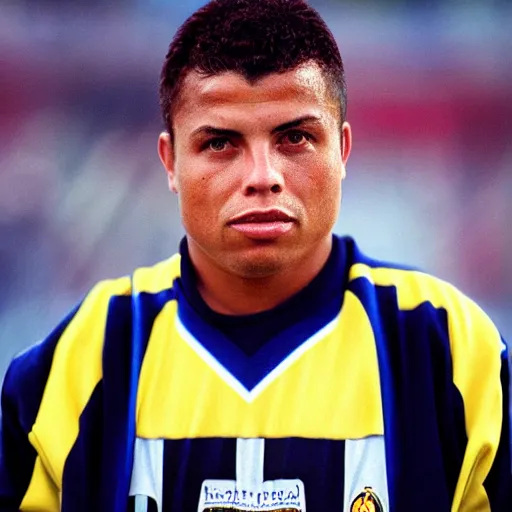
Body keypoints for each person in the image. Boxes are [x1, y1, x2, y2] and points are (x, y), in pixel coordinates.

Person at [0, 0, 510, 510]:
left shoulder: (454, 352)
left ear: (343, 151)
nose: (262, 176)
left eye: (296, 138)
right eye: (221, 143)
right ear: (170, 161)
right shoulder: (77, 361)